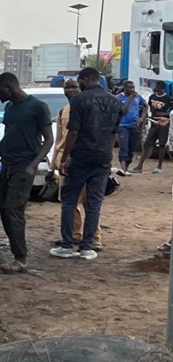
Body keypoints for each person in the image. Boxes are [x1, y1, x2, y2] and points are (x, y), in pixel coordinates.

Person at [0, 72, 54, 272]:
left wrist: (33, 165)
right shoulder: (10, 108)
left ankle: (21, 259)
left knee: (14, 210)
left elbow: (48, 139)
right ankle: (17, 253)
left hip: (24, 166)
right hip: (8, 165)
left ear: (9, 88)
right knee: (5, 210)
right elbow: (7, 139)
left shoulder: (38, 107)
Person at [52, 67, 122, 260]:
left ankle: (67, 245)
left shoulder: (79, 101)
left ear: (84, 79)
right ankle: (87, 247)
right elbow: (113, 135)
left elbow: (73, 132)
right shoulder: (115, 102)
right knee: (94, 203)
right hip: (102, 158)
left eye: (78, 82)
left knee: (69, 200)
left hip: (81, 157)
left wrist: (65, 157)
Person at [52, 78, 104, 251]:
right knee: (69, 202)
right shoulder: (63, 112)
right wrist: (55, 165)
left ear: (80, 88)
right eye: (67, 87)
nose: (71, 90)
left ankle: (94, 239)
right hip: (64, 162)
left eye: (74, 87)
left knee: (89, 201)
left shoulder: (89, 109)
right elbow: (59, 140)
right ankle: (75, 235)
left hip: (83, 160)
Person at [133, 80, 172, 174]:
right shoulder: (152, 97)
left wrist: (164, 114)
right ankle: (139, 166)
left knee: (162, 145)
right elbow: (149, 109)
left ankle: (159, 167)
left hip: (163, 124)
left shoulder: (168, 99)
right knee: (147, 144)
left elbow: (170, 113)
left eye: (158, 87)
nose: (156, 89)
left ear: (162, 88)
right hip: (153, 123)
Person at [116, 80, 147, 174]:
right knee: (124, 148)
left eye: (133, 87)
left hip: (134, 125)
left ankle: (126, 167)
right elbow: (123, 111)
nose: (132, 89)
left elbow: (146, 106)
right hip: (123, 126)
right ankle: (123, 169)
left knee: (131, 149)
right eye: (130, 87)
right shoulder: (119, 98)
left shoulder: (138, 97)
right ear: (125, 88)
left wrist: (141, 118)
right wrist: (130, 99)